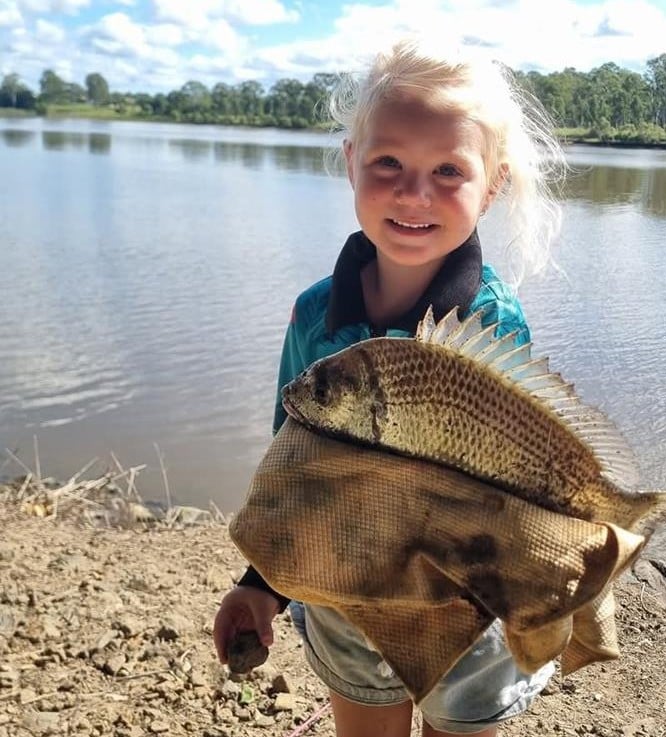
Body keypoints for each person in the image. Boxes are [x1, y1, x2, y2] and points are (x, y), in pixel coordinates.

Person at [213, 35, 566, 737]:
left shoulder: (490, 321)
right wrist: (263, 584)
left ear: (491, 184)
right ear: (351, 163)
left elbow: (512, 481)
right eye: (388, 163)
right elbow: (293, 464)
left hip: (460, 607)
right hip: (345, 600)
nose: (413, 192)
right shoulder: (316, 313)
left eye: (448, 170)